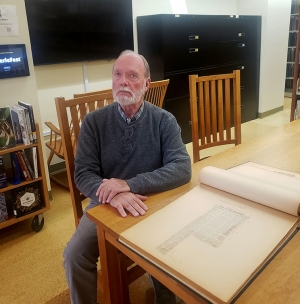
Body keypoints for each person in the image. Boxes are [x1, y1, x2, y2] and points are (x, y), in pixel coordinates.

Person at [63, 49, 191, 304]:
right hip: (105, 203)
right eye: (117, 74)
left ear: (146, 84)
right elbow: (83, 173)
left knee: (172, 250)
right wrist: (114, 196)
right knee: (74, 254)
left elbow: (182, 167)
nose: (123, 81)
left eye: (132, 75)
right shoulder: (93, 122)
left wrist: (129, 185)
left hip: (151, 201)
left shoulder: (164, 121)